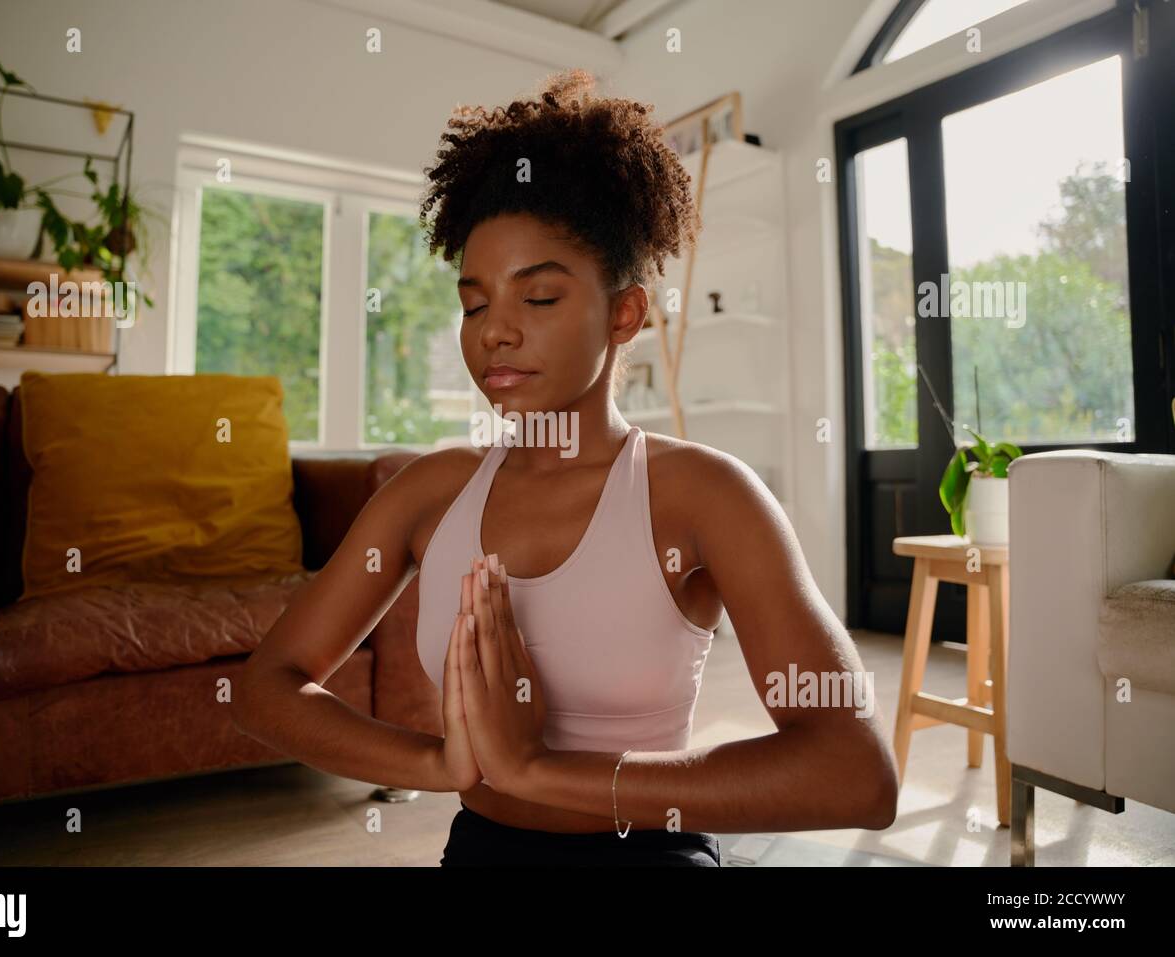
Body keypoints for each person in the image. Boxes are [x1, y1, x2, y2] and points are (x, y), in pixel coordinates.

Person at [236, 68, 898, 867]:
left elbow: (856, 771)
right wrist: (439, 762)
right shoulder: (428, 493)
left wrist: (540, 770)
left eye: (539, 298)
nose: (494, 334)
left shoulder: (704, 496)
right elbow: (268, 681)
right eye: (475, 303)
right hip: (481, 850)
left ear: (624, 313)